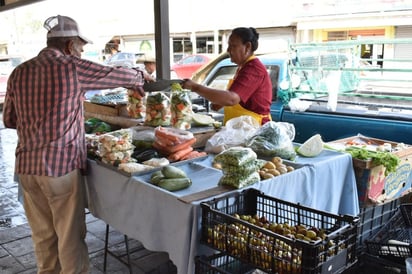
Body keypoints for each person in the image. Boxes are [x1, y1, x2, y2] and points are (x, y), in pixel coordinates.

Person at [2, 15, 147, 273]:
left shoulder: (18, 72)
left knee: (43, 239)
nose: (81, 53)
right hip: (60, 170)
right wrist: (140, 75)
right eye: (80, 48)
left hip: (27, 169)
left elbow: (10, 120)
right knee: (69, 240)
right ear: (70, 45)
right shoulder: (71, 66)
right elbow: (116, 74)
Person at [181, 27, 272, 125]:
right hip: (241, 129)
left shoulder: (253, 69)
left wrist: (195, 87)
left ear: (247, 47)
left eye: (233, 46)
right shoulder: (242, 67)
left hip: (254, 130)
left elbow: (232, 98)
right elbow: (239, 95)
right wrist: (220, 103)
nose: (228, 50)